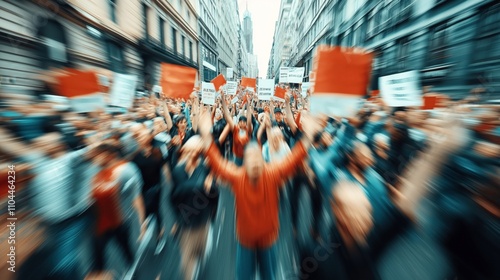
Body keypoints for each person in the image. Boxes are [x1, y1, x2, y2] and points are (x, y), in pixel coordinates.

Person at [197, 108, 325, 280]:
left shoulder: (273, 173)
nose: (255, 162)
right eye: (250, 158)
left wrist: (309, 135)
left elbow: (295, 158)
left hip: (268, 239)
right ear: (245, 162)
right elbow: (217, 162)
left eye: (257, 157)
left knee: (269, 276)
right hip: (246, 241)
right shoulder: (237, 177)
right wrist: (205, 135)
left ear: (263, 161)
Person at [171, 136, 219, 280]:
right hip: (185, 223)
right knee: (187, 262)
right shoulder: (178, 170)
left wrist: (213, 213)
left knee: (202, 252)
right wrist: (175, 220)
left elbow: (214, 194)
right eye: (189, 151)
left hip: (203, 218)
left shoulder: (204, 168)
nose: (191, 154)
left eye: (196, 151)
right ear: (184, 151)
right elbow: (176, 195)